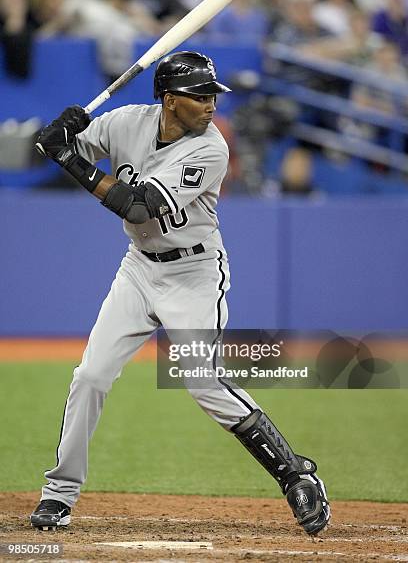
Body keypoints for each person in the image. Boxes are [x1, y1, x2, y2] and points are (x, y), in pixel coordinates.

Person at [29, 51, 331, 537]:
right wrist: (58, 136)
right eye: (200, 96)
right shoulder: (126, 121)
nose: (212, 104)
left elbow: (137, 208)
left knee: (202, 383)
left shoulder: (211, 148)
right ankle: (58, 495)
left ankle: (296, 473)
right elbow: (64, 149)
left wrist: (68, 158)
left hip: (193, 273)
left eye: (214, 95)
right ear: (170, 100)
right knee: (90, 375)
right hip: (138, 270)